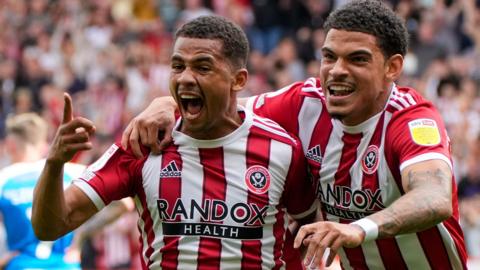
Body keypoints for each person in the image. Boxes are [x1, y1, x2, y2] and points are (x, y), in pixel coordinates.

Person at [121, 1, 468, 269]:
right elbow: (222, 107)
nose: (337, 71)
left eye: (357, 59)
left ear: (392, 67)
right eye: (329, 57)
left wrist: (358, 228)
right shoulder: (303, 104)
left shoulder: (409, 118)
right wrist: (168, 104)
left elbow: (434, 197)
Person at [31, 15, 317, 269]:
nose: (185, 79)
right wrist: (54, 163)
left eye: (202, 68)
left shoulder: (281, 148)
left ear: (238, 80)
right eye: (177, 66)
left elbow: (307, 227)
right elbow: (51, 225)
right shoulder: (142, 144)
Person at [0, 113, 83, 270]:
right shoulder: (72, 173)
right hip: (66, 264)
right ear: (45, 146)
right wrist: (78, 242)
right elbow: (123, 204)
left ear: (10, 145)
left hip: (22, 265)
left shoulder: (4, 179)